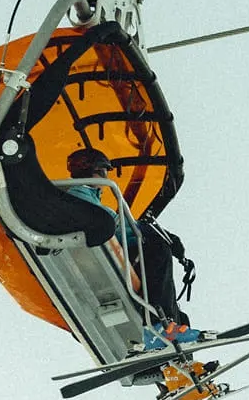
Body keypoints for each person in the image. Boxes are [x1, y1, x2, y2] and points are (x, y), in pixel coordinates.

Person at [60, 145, 197, 344]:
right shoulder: (82, 199)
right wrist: (162, 237)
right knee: (158, 251)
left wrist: (162, 235)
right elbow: (121, 229)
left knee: (181, 315)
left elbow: (121, 226)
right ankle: (163, 325)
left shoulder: (84, 200)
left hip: (102, 252)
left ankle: (177, 337)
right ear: (98, 171)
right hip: (102, 256)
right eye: (104, 171)